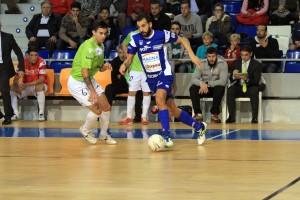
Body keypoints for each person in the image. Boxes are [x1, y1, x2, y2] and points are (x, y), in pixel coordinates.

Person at [119, 13, 207, 147]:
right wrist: (124, 64)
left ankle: (166, 136)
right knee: (173, 110)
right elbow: (130, 58)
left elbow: (182, 40)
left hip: (164, 73)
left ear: (150, 24)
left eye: (143, 26)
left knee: (159, 99)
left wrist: (192, 55)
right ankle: (199, 126)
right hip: (151, 79)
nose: (141, 29)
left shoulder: (161, 35)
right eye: (138, 27)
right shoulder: (135, 39)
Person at [67, 20, 117, 145]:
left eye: (105, 33)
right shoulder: (88, 47)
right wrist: (93, 92)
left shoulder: (101, 45)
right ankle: (85, 130)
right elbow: (84, 72)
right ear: (93, 32)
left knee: (106, 106)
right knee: (97, 109)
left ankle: (103, 135)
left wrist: (104, 67)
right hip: (77, 83)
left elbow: (98, 67)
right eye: (100, 33)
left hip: (89, 79)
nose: (104, 36)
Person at [119, 29, 151, 125]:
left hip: (148, 69)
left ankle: (144, 117)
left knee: (146, 93)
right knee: (131, 92)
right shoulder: (132, 34)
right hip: (135, 69)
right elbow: (124, 44)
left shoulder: (152, 34)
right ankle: (129, 117)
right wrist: (128, 56)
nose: (142, 27)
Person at [105, 46, 143, 122]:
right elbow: (114, 78)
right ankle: (106, 115)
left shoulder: (133, 61)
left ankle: (138, 116)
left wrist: (122, 76)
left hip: (132, 85)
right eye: (119, 53)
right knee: (109, 88)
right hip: (120, 85)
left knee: (138, 90)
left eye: (123, 52)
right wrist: (123, 78)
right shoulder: (115, 61)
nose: (122, 55)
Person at [190, 47, 228, 123]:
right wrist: (201, 83)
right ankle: (198, 114)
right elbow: (193, 79)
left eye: (213, 56)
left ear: (216, 56)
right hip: (203, 89)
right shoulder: (201, 63)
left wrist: (207, 84)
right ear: (206, 56)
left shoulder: (222, 64)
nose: (211, 59)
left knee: (220, 88)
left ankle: (215, 114)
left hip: (214, 88)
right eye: (209, 56)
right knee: (193, 88)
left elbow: (223, 81)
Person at [226, 45, 262, 124]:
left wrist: (247, 79)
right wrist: (233, 75)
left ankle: (254, 117)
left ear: (251, 54)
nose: (244, 57)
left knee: (254, 91)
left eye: (246, 55)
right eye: (242, 55)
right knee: (230, 90)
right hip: (239, 86)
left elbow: (256, 81)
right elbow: (231, 79)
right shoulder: (236, 62)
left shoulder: (257, 64)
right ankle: (231, 116)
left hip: (250, 86)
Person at [10, 46, 47, 122]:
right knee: (12, 88)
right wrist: (18, 84)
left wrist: (26, 84)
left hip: (40, 86)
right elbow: (16, 78)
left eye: (36, 55)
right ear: (27, 55)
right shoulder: (22, 62)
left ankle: (41, 113)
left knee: (39, 87)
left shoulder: (41, 62)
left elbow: (41, 79)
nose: (34, 57)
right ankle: (16, 114)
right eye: (31, 55)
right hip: (27, 86)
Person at [0, 22, 24, 125]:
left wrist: (22, 68)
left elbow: (18, 52)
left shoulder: (8, 37)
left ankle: (8, 116)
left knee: (5, 91)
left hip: (4, 68)